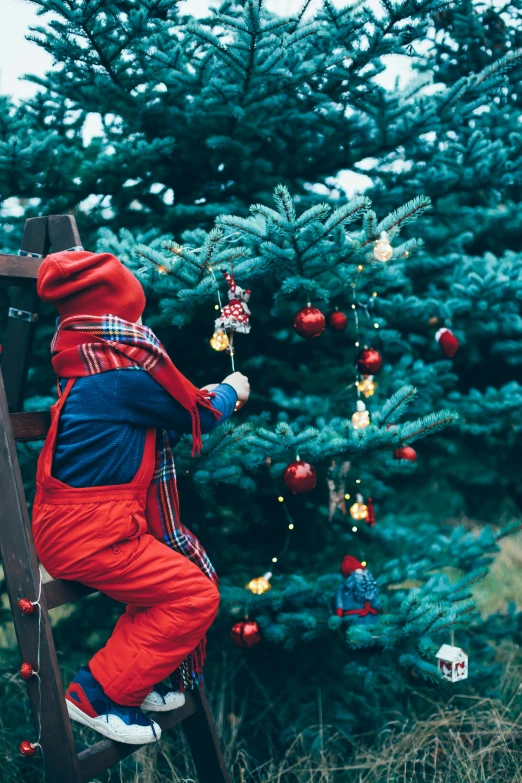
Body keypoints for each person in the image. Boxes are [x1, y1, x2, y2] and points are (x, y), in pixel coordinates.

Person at [32, 249, 250, 745]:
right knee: (194, 595)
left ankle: (133, 679)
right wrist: (232, 391)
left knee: (161, 591)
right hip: (92, 532)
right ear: (117, 316)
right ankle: (96, 695)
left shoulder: (85, 365)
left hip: (81, 522)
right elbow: (200, 414)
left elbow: (169, 401)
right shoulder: (120, 378)